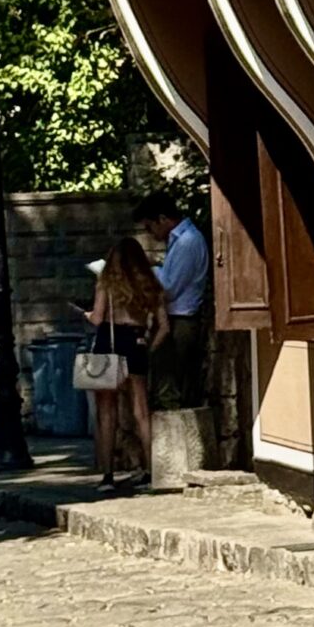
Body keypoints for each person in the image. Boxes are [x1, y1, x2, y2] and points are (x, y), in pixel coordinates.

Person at [82, 238, 167, 494]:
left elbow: (97, 319)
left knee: (106, 413)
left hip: (107, 343)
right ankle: (152, 471)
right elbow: (164, 327)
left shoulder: (106, 283)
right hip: (137, 342)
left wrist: (85, 315)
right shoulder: (151, 285)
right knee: (141, 410)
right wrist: (147, 349)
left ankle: (107, 475)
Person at [134, 194, 209, 409]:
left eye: (150, 227)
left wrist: (148, 270)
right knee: (165, 375)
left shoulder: (187, 242)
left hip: (181, 319)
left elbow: (169, 289)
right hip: (174, 317)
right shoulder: (179, 241)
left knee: (171, 379)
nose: (151, 234)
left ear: (163, 219)